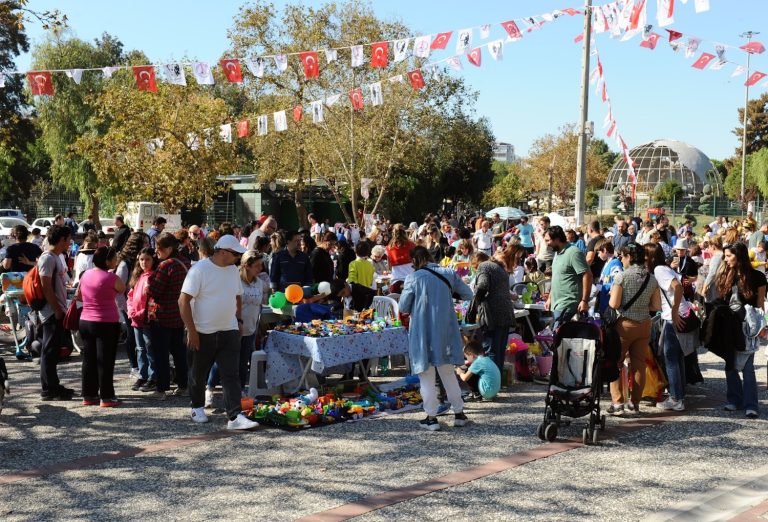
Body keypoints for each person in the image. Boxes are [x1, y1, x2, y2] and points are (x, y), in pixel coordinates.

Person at [180, 235, 258, 430]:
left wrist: (238, 320)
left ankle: (234, 416)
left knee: (231, 374)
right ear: (222, 252)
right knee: (198, 372)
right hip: (202, 331)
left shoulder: (232, 270)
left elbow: (237, 296)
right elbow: (183, 301)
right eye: (235, 254)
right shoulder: (199, 270)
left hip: (228, 330)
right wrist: (192, 330)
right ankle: (196, 406)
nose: (238, 258)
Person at [399, 246, 473, 431]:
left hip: (423, 333)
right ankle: (459, 413)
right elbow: (468, 294)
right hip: (445, 332)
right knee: (448, 372)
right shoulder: (448, 273)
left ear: (414, 261)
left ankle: (431, 417)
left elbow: (403, 307)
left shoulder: (413, 278)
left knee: (426, 375)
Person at [605, 243, 660, 416]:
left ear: (629, 256)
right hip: (644, 324)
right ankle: (634, 404)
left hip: (624, 325)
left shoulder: (621, 277)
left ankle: (618, 403)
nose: (621, 259)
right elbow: (656, 305)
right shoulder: (651, 278)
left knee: (615, 362)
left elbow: (614, 304)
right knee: (639, 365)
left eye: (622, 256)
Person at [712, 242, 765, 419]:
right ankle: (734, 399)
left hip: (747, 325)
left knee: (748, 367)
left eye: (729, 256)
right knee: (730, 364)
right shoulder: (725, 274)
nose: (726, 260)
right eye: (725, 256)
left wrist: (763, 325)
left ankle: (751, 404)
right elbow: (720, 300)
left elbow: (760, 305)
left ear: (738, 255)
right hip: (728, 324)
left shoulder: (757, 276)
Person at [76, 246, 124, 407]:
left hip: (86, 320)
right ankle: (107, 396)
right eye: (114, 257)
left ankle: (88, 395)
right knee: (105, 360)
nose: (116, 260)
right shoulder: (111, 278)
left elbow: (79, 295)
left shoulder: (85, 275)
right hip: (106, 321)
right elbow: (122, 289)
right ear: (107, 261)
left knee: (89, 359)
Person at [648, 243, 693, 412]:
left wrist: (674, 312)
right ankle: (679, 394)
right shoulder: (664, 268)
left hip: (673, 316)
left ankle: (676, 398)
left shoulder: (660, 270)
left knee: (671, 358)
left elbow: (678, 287)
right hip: (679, 313)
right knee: (677, 357)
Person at [147, 232, 190, 399]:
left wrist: (148, 283)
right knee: (179, 353)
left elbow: (154, 290)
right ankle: (183, 386)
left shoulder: (166, 266)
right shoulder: (186, 263)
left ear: (169, 248)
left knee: (161, 354)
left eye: (159, 249)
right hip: (179, 315)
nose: (157, 252)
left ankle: (161, 389)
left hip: (162, 315)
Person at [37, 225, 74, 401]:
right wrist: (57, 310)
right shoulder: (48, 258)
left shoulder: (55, 257)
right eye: (68, 239)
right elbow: (45, 286)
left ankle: (53, 384)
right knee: (49, 350)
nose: (70, 243)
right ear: (62, 240)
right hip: (51, 312)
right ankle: (48, 389)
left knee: (53, 351)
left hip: (56, 310)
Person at [474, 249, 516, 371]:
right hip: (506, 312)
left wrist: (477, 300)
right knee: (500, 349)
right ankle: (498, 381)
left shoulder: (484, 266)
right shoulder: (500, 269)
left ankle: (492, 382)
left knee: (491, 349)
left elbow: (482, 285)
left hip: (493, 314)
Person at [115, 231, 147, 384]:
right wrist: (126, 311)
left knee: (140, 340)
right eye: (145, 243)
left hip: (139, 308)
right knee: (132, 338)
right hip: (129, 308)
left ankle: (142, 367)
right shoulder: (124, 264)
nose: (148, 246)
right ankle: (134, 367)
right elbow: (118, 291)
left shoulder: (139, 261)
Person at [544, 226, 592, 318]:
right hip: (556, 304)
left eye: (548, 240)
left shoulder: (574, 253)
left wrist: (584, 301)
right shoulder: (558, 253)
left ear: (557, 239)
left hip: (568, 305)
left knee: (559, 331)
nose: (546, 244)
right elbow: (556, 278)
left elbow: (587, 275)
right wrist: (550, 298)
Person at [127, 247, 156, 392]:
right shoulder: (138, 276)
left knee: (150, 348)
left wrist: (142, 312)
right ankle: (143, 375)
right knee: (140, 348)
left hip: (147, 319)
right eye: (142, 259)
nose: (144, 262)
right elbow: (131, 296)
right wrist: (131, 310)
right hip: (136, 319)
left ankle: (153, 376)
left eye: (148, 259)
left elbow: (152, 300)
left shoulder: (153, 276)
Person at [595, 240, 623, 315]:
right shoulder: (607, 263)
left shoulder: (615, 263)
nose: (598, 255)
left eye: (598, 252)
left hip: (609, 304)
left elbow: (618, 279)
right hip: (603, 302)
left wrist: (612, 291)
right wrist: (596, 291)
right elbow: (602, 280)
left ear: (604, 250)